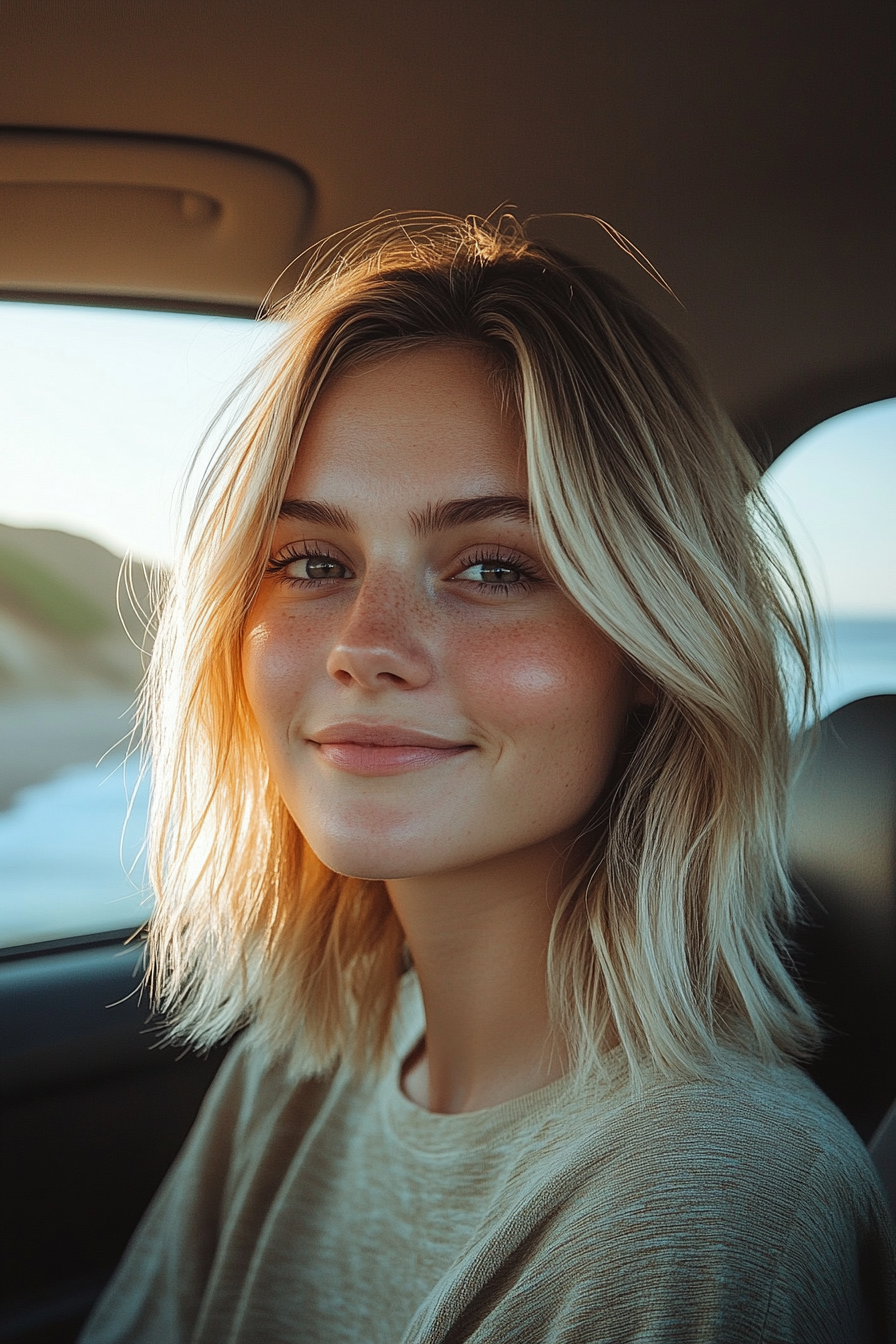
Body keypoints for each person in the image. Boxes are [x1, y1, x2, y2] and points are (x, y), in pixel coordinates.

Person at [81, 213, 895, 1344]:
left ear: (652, 651)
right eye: (312, 561)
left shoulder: (713, 1199)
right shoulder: (304, 1064)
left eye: (492, 566)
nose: (364, 643)